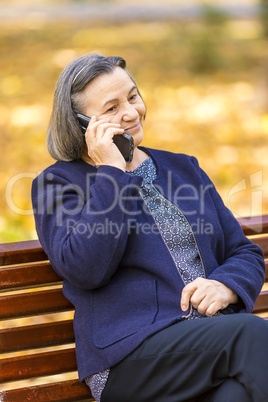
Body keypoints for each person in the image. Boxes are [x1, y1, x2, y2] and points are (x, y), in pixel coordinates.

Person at [31, 53, 268, 402]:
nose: (130, 112)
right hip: (129, 357)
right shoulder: (58, 184)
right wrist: (112, 173)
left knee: (237, 395)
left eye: (132, 96)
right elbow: (86, 269)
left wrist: (226, 285)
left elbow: (242, 250)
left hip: (211, 344)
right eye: (111, 108)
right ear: (81, 124)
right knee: (251, 335)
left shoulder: (183, 168)